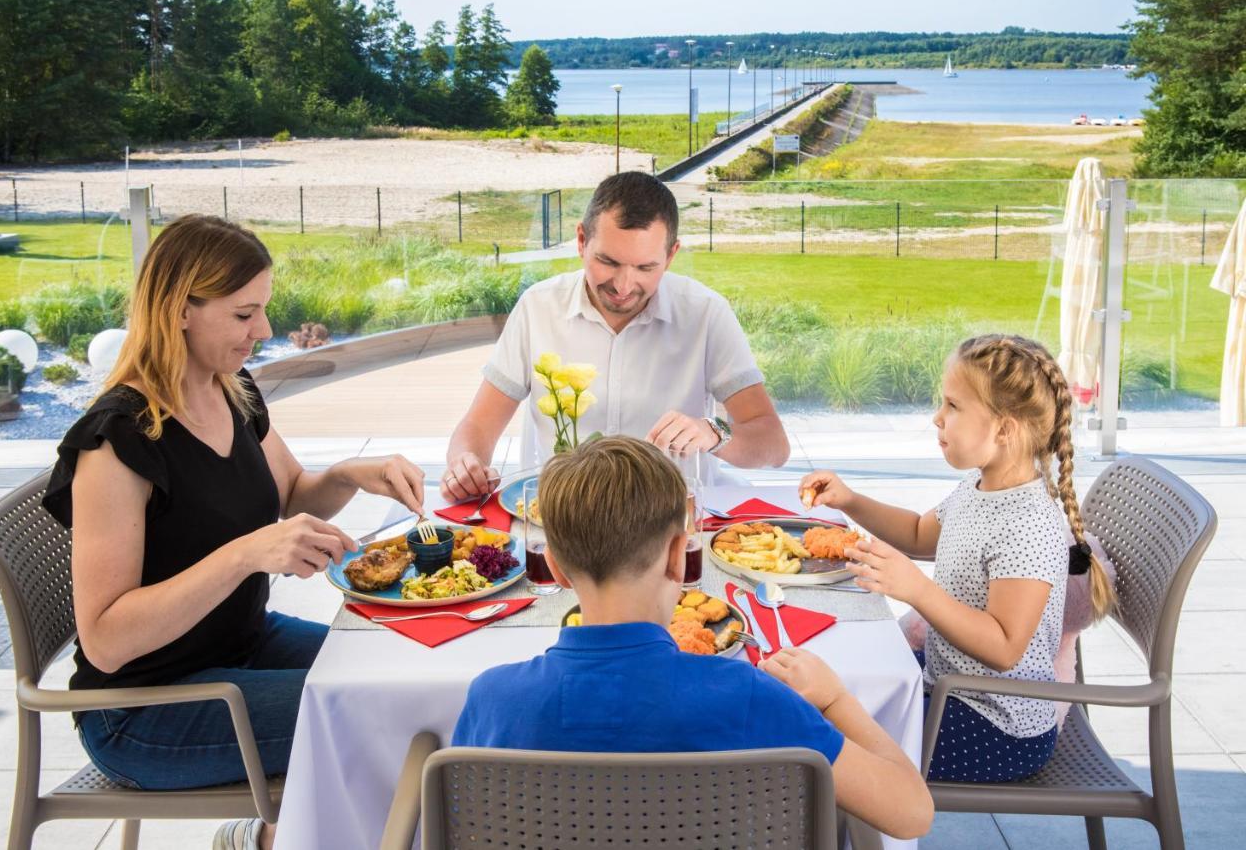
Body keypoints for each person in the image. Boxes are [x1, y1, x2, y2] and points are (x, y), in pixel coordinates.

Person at [41, 215, 427, 850]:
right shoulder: (117, 440)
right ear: (180, 310)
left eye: (265, 310)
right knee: (378, 713)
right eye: (245, 315)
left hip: (239, 646)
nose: (266, 331)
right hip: (144, 708)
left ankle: (267, 837)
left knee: (403, 666)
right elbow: (107, 641)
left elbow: (294, 494)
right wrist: (243, 556)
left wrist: (356, 473)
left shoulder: (231, 389)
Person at [452, 436, 934, 840]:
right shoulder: (750, 697)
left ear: (554, 567)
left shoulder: (491, 699)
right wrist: (833, 700)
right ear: (679, 559)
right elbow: (911, 813)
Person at [799, 334, 1116, 782]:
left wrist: (917, 590)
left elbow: (1005, 647)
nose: (937, 418)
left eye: (952, 406)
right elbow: (915, 533)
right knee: (827, 690)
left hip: (998, 726)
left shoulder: (1027, 525)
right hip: (949, 687)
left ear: (1003, 429)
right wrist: (849, 500)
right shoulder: (980, 486)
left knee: (831, 742)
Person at [441, 171, 789, 500]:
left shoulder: (706, 313)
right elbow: (477, 427)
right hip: (560, 520)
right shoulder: (538, 307)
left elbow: (773, 444)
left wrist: (714, 433)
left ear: (670, 256)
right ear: (581, 241)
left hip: (671, 523)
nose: (623, 286)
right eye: (608, 262)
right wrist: (465, 464)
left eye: (644, 267)